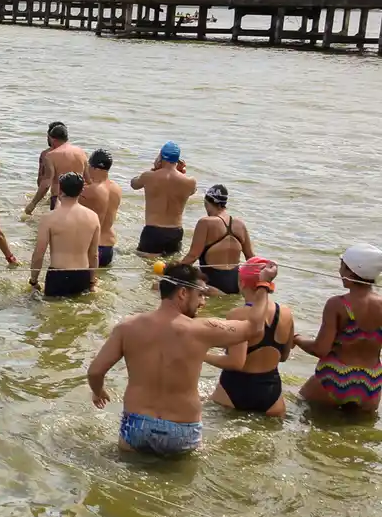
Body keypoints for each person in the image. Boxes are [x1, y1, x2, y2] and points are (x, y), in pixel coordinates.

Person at [86, 262, 275, 457]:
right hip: (183, 430)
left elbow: (95, 371)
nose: (203, 302)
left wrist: (98, 391)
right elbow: (255, 329)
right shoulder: (202, 330)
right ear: (183, 293)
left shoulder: (127, 327)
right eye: (200, 294)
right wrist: (263, 285)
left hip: (137, 426)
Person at [296, 245, 382, 412]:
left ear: (351, 272)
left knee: (301, 412)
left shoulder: (338, 304)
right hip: (371, 383)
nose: (339, 271)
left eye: (342, 266)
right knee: (356, 434)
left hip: (335, 377)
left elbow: (320, 349)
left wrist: (297, 339)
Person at [203, 258, 293, 416]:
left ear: (242, 283)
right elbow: (284, 356)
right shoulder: (286, 313)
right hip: (271, 393)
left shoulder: (238, 314)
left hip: (235, 390)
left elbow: (235, 362)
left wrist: (201, 354)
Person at [30, 172, 101, 298]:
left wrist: (33, 281)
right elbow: (94, 254)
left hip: (58, 275)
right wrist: (92, 281)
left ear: (60, 190)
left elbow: (38, 254)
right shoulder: (93, 217)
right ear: (81, 190)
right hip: (82, 275)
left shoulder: (49, 218)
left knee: (52, 315)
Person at [178, 184, 253, 295]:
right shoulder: (240, 224)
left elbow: (192, 256)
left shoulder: (205, 222)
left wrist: (173, 270)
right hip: (236, 284)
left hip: (213, 285)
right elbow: (251, 259)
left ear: (207, 203)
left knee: (157, 286)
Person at [131, 142, 197, 256]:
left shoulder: (149, 176)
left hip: (153, 231)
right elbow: (192, 191)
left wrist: (154, 169)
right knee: (169, 269)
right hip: (175, 232)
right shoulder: (189, 182)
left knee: (147, 271)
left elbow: (134, 184)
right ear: (178, 160)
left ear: (161, 157)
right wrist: (182, 172)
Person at [26, 122, 88, 214]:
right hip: (78, 199)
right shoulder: (81, 152)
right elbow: (88, 179)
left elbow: (46, 183)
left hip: (59, 200)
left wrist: (33, 204)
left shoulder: (51, 156)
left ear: (52, 139)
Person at [79, 149, 123, 268]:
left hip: (91, 249)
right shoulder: (117, 189)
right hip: (108, 248)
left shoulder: (87, 190)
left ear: (93, 167)